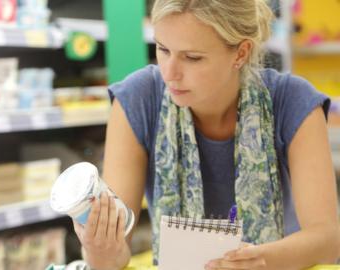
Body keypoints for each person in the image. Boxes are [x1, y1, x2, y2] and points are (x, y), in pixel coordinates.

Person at [72, 0, 340, 269]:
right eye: (163, 49)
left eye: (192, 57)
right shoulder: (138, 99)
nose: (170, 73)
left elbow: (327, 241)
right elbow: (116, 254)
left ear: (241, 53)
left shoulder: (292, 100)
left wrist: (260, 260)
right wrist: (99, 251)